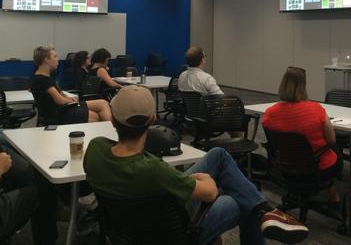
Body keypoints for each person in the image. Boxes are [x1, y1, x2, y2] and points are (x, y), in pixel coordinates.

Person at [84, 85, 309, 245]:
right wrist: (201, 180)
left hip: (127, 230)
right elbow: (210, 193)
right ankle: (263, 211)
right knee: (242, 202)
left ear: (112, 119)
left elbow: (153, 176)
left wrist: (186, 182)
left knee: (218, 155)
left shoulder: (95, 151)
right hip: (176, 233)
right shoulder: (154, 169)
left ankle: (266, 210)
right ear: (152, 120)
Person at [262, 66, 342, 202]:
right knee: (335, 149)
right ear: (303, 87)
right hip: (315, 169)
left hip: (283, 168)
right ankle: (333, 195)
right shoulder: (316, 109)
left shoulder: (269, 113)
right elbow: (331, 139)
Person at [31, 45, 111, 123]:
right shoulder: (43, 80)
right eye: (55, 56)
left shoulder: (42, 77)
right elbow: (60, 100)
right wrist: (71, 100)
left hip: (61, 110)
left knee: (103, 103)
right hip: (59, 114)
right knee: (94, 115)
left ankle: (111, 131)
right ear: (46, 60)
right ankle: (112, 131)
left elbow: (61, 95)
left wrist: (69, 99)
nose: (57, 59)